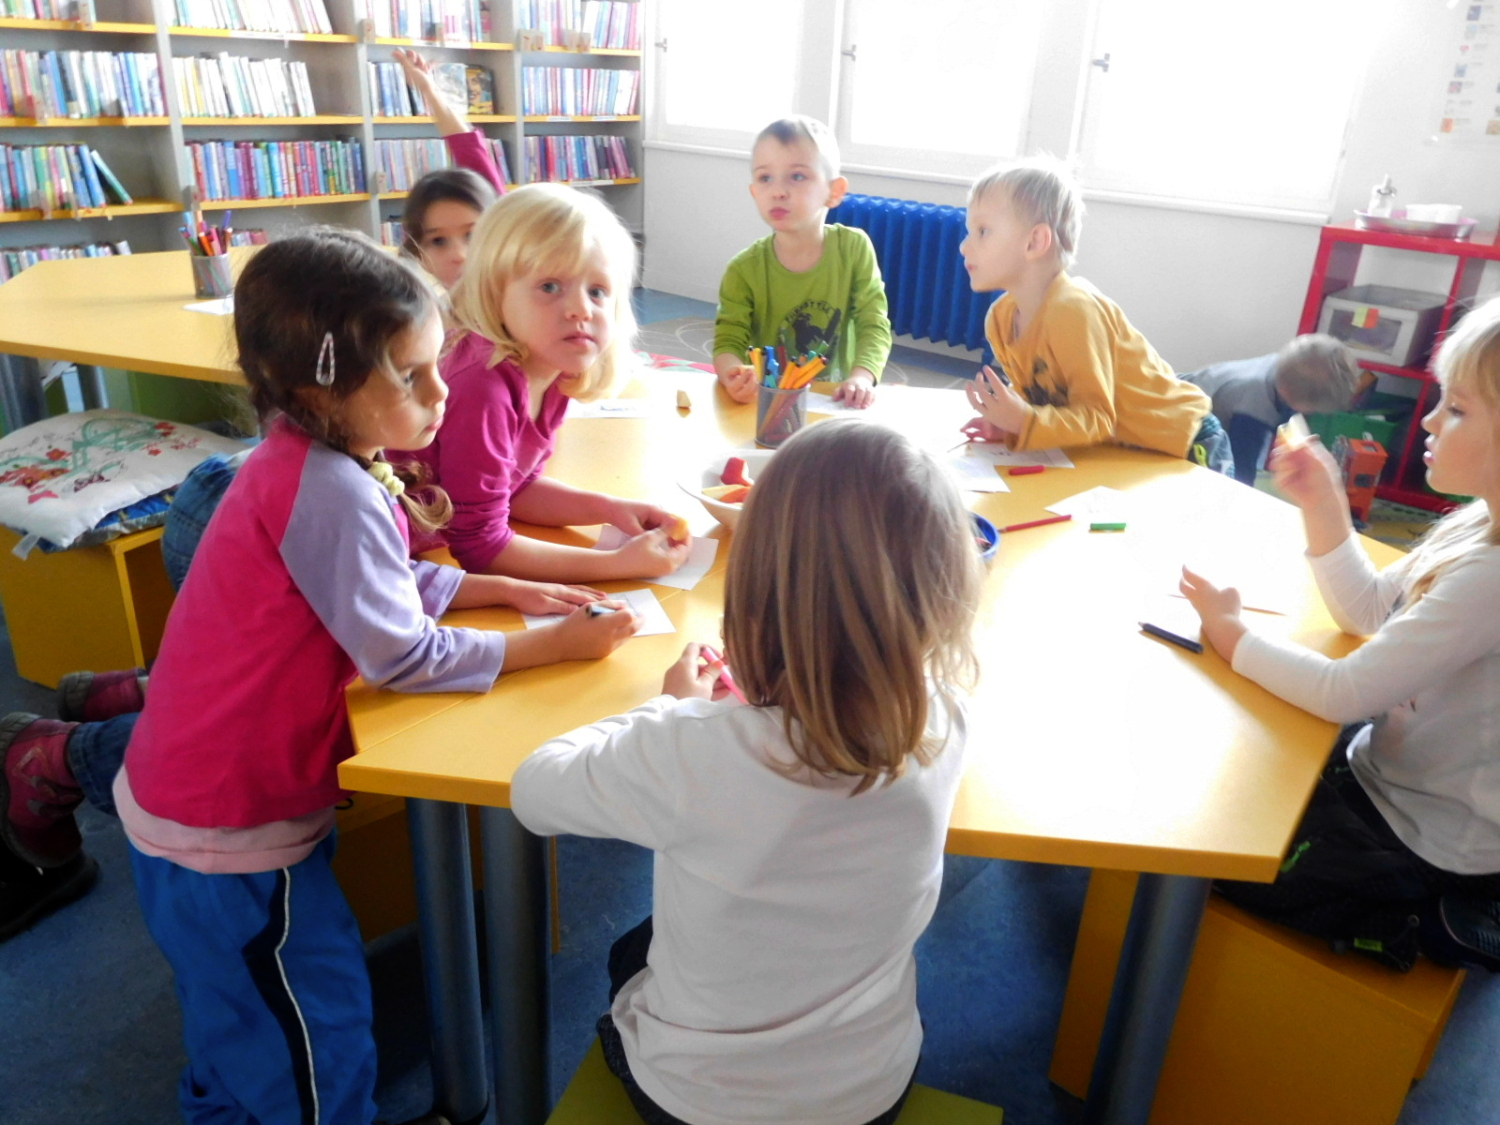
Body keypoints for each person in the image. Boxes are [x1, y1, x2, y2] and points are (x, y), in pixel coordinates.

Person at [8, 229, 641, 1124]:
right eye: (411, 376)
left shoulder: (309, 453)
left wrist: (502, 588)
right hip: (230, 832)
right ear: (318, 388)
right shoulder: (333, 487)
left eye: (436, 366)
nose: (441, 393)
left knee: (240, 1028)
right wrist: (558, 643)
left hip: (210, 808)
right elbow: (404, 654)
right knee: (312, 1044)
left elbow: (379, 578)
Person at [511, 419, 983, 1125]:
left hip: (700, 1103)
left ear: (758, 593)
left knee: (628, 953)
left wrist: (669, 709)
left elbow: (534, 787)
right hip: (872, 1090)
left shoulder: (695, 748)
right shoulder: (947, 718)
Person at [1179, 296, 1500, 973]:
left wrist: (1233, 636)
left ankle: (1424, 918)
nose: (1429, 420)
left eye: (1457, 408)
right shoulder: (1477, 523)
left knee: (1211, 843)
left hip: (1427, 839)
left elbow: (1344, 692)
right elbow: (1374, 611)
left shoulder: (1491, 577)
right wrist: (1324, 501)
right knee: (1249, 767)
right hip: (1387, 772)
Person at [397, 183, 692, 582]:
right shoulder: (483, 385)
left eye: (598, 291)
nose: (580, 309)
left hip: (426, 553)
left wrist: (609, 509)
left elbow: (513, 489)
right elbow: (479, 546)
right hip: (386, 561)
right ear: (494, 292)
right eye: (550, 287)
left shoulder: (552, 364)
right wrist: (617, 564)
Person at [958, 159, 1233, 475]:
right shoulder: (1000, 320)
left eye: (982, 231)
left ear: (1034, 242)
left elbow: (1097, 418)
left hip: (1186, 440)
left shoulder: (1073, 311)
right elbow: (1045, 401)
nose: (964, 247)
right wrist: (1011, 423)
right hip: (1123, 447)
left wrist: (1024, 421)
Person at [712, 116, 891, 409]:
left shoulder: (854, 248)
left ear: (834, 192)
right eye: (765, 178)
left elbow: (873, 323)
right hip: (768, 402)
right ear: (754, 191)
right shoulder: (743, 269)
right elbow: (728, 341)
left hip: (836, 399)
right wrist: (733, 374)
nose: (778, 191)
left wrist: (862, 377)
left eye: (796, 176)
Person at [393, 49, 508, 294]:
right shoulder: (423, 313)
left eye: (471, 235)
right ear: (418, 254)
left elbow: (468, 148)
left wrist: (429, 90)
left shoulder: (523, 303)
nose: (459, 255)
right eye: (438, 241)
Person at [1179, 333, 1362, 486]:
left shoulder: (1286, 369)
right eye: (1312, 409)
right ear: (1288, 393)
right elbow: (1240, 473)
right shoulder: (1252, 411)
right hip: (1180, 423)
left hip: (1201, 407)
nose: (1311, 413)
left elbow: (1287, 422)